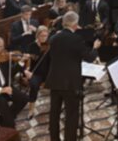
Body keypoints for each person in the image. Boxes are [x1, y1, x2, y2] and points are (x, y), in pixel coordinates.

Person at [45, 11, 101, 141]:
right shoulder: (76, 39)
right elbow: (89, 58)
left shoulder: (53, 38)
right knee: (71, 115)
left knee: (54, 114)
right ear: (75, 24)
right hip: (70, 83)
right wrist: (95, 47)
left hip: (55, 81)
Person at [25, 26, 50, 119]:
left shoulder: (49, 46)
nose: (44, 38)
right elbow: (28, 62)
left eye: (46, 36)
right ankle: (31, 109)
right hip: (36, 73)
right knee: (34, 85)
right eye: (42, 36)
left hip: (48, 72)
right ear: (37, 36)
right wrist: (27, 71)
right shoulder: (31, 46)